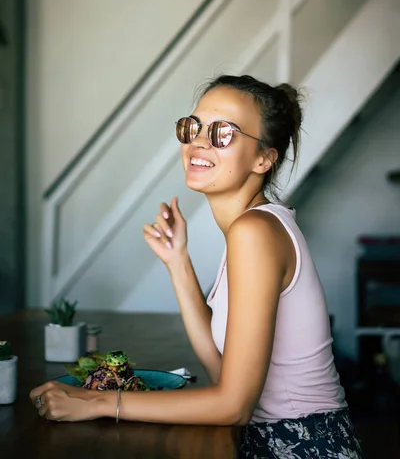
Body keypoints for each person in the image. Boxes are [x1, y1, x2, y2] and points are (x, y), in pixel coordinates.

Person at [30, 74, 364, 458]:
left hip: (302, 445)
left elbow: (234, 406)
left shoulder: (255, 231)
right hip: (280, 438)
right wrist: (178, 263)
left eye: (223, 132)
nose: (199, 141)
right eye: (194, 127)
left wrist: (99, 402)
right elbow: (226, 376)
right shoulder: (252, 228)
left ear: (264, 158)